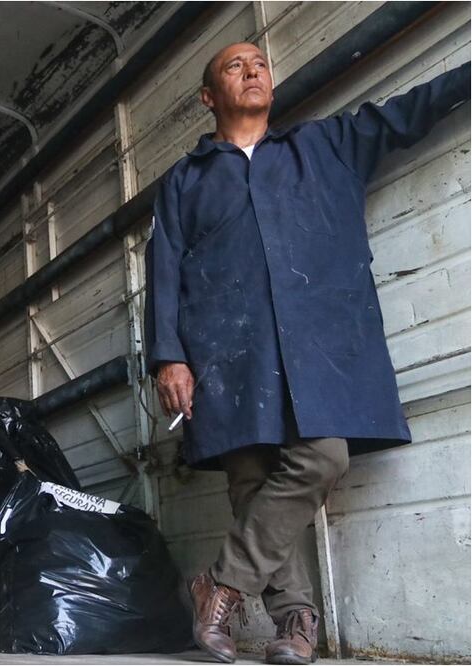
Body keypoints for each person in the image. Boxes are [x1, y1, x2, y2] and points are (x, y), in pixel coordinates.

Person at [144, 42, 470, 665]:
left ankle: (224, 582)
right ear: (210, 98)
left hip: (316, 347)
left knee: (322, 457)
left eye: (260, 63)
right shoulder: (184, 180)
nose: (253, 69)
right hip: (227, 352)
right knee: (250, 481)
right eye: (234, 67)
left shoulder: (326, 147)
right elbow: (162, 273)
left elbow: (412, 110)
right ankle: (296, 624)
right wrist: (168, 357)